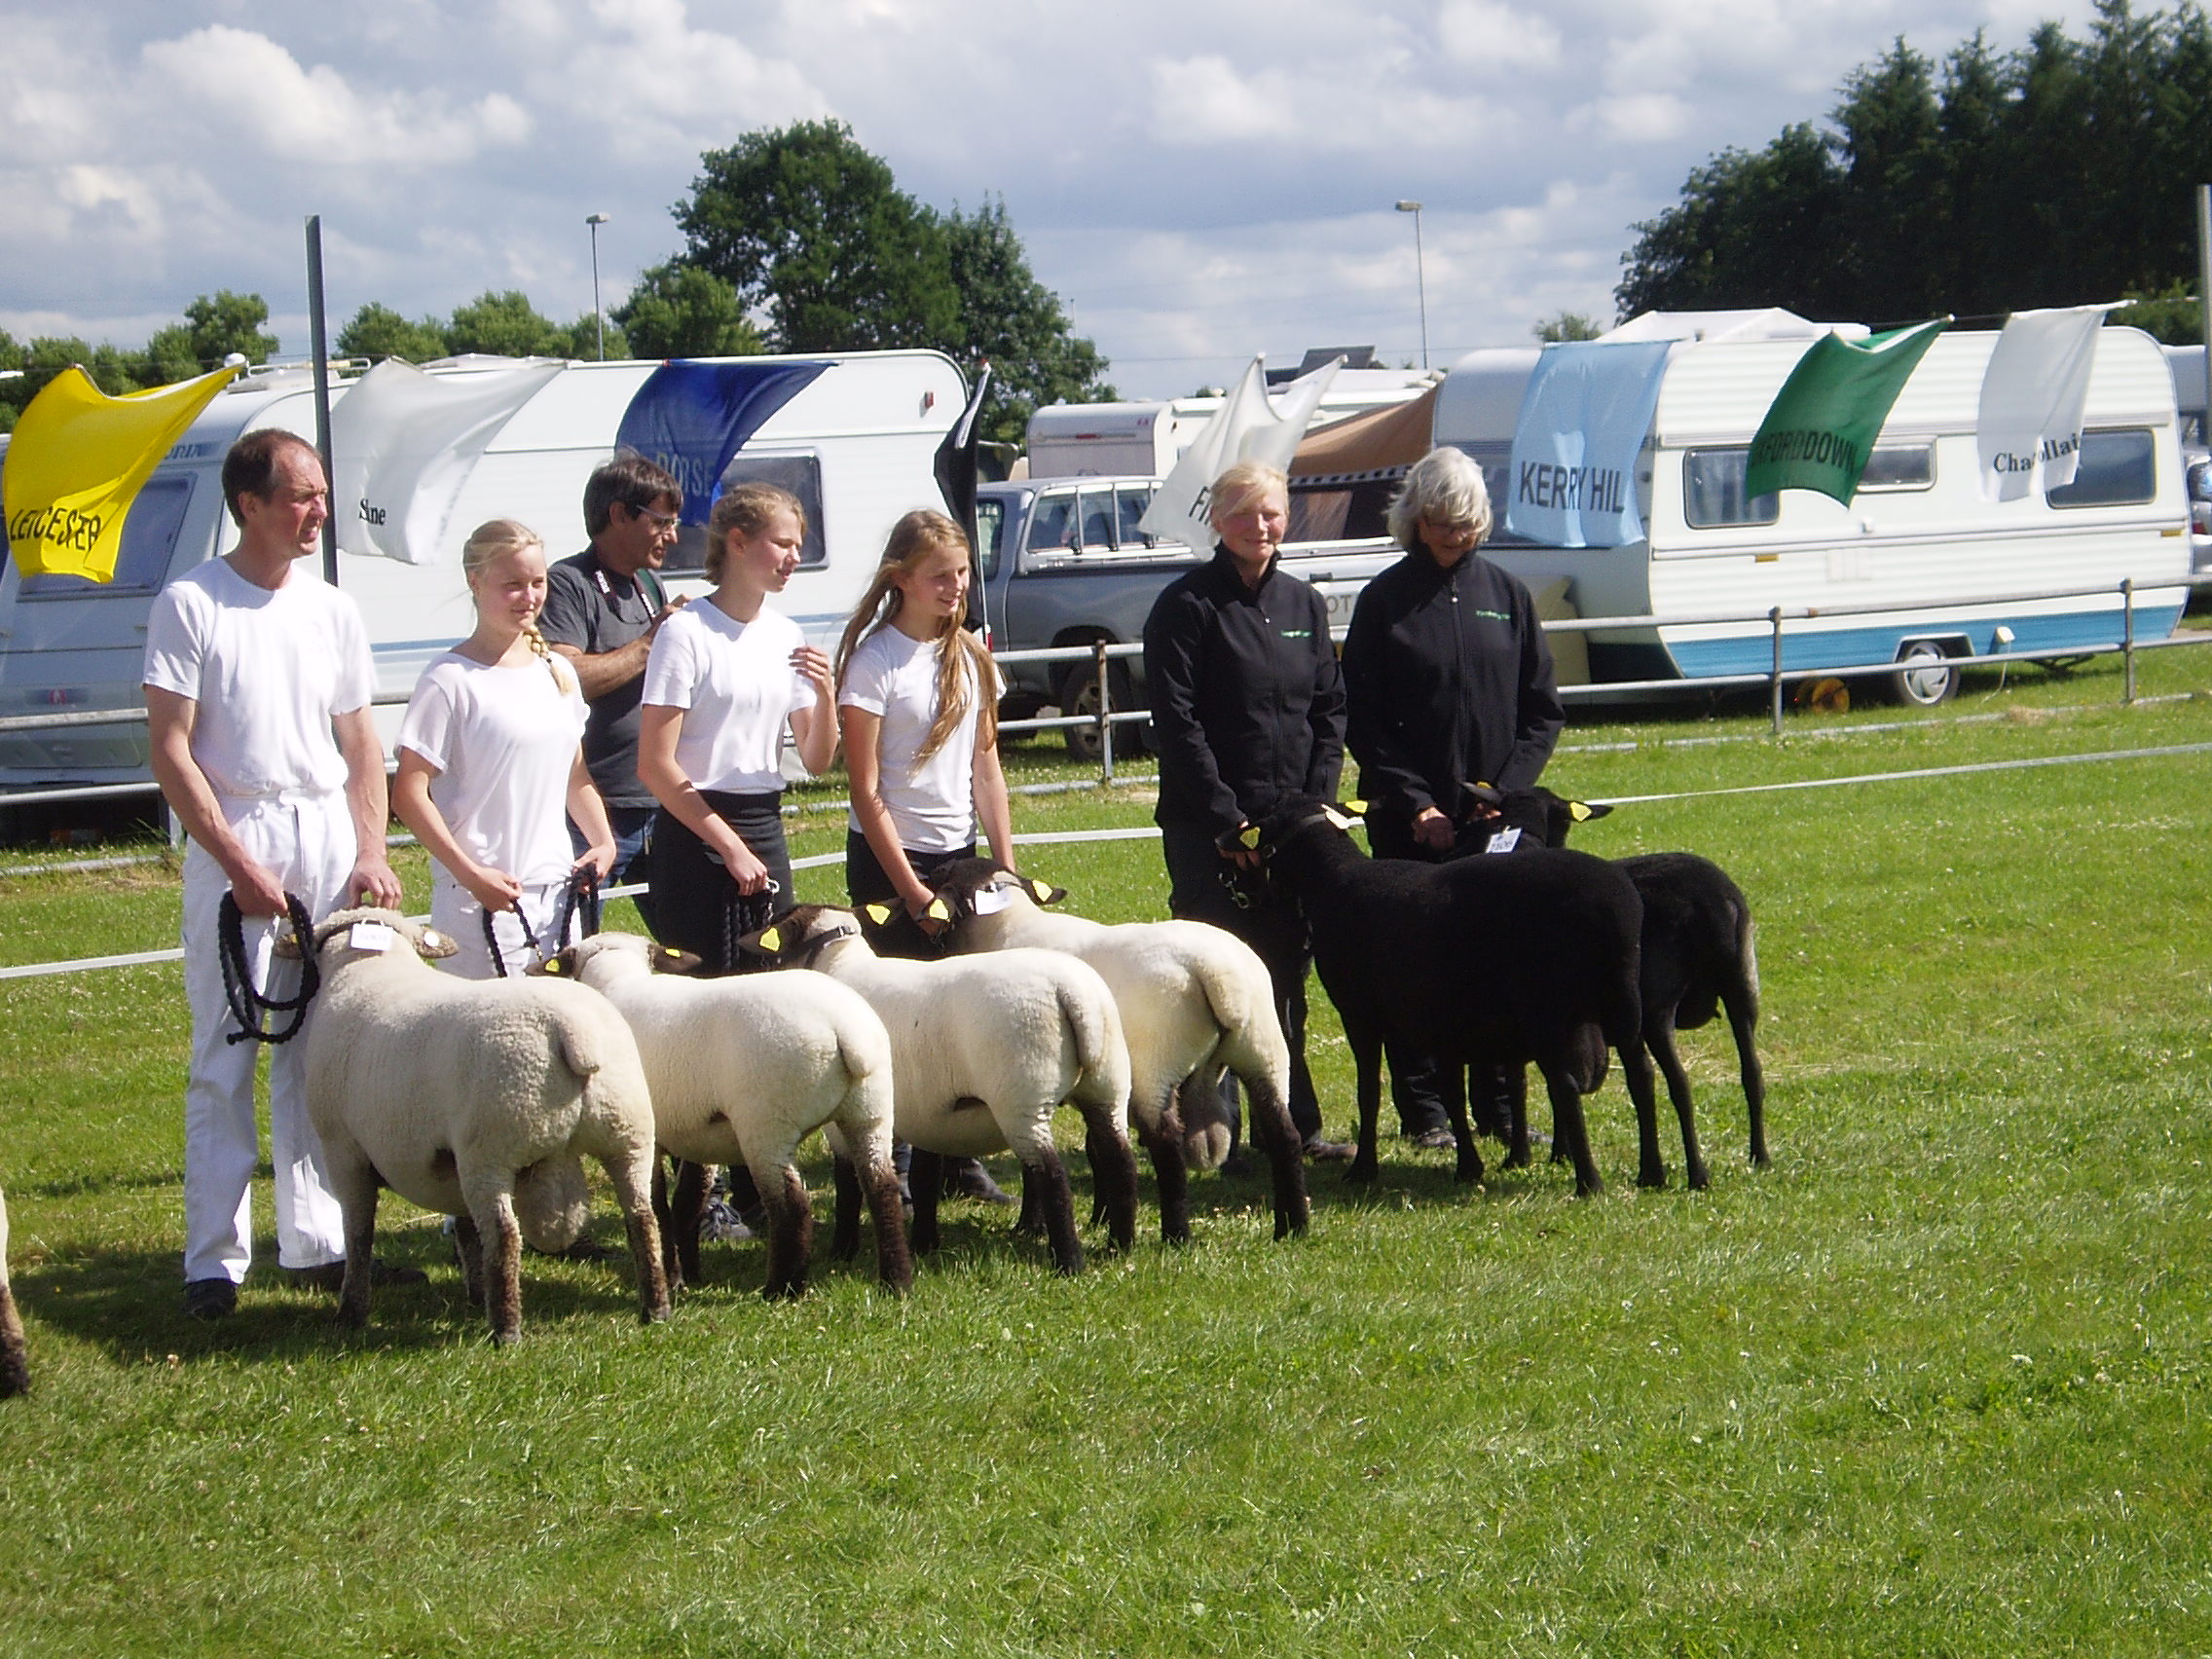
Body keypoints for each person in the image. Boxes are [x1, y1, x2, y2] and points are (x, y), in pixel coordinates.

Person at [143, 428, 411, 1319]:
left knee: (318, 1049)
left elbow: (362, 741)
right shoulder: (192, 603)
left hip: (325, 829)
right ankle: (212, 1261)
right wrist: (236, 863)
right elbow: (172, 751)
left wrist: (370, 847)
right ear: (249, 503)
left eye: (321, 493)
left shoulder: (332, 609)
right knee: (226, 1052)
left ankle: (319, 1240)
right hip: (242, 827)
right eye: (299, 495)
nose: (316, 511)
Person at [1340, 445, 1566, 1147]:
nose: (1452, 536)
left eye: (1465, 524)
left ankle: (1500, 1108)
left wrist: (1506, 791)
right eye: (1440, 521)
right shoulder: (1383, 601)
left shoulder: (1508, 596)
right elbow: (1361, 717)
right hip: (1411, 823)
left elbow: (1542, 710)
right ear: (1415, 518)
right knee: (1415, 969)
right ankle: (1427, 1112)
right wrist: (1415, 803)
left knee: (1498, 966)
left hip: (1491, 822)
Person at [1141, 460, 1354, 1161]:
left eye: (1271, 513)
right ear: (1216, 521)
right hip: (1211, 827)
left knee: (1288, 975)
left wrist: (1316, 801)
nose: (1259, 527)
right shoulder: (1184, 607)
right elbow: (1178, 723)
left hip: (1293, 825)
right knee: (1216, 980)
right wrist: (1226, 819)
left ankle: (1294, 1127)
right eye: (1244, 514)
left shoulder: (1303, 605)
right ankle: (1212, 1132)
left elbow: (1329, 707)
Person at [835, 507, 1016, 1204]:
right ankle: (896, 1166)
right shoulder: (875, 660)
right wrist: (911, 891)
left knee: (957, 1010)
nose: (956, 587)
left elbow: (988, 768)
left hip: (958, 855)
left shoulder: (970, 654)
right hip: (890, 857)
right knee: (899, 1015)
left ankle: (958, 1158)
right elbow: (864, 787)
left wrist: (1005, 865)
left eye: (963, 574)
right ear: (901, 579)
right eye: (941, 576)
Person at [391, 519, 617, 982]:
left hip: (557, 896)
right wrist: (471, 874)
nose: (529, 597)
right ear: (475, 582)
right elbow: (410, 795)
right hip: (477, 904)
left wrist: (603, 841)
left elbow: (574, 776)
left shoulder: (557, 672)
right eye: (512, 585)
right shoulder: (449, 680)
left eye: (537, 583)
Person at [637, 482, 835, 976]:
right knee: (704, 993)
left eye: (797, 545)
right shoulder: (686, 632)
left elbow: (816, 758)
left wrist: (828, 696)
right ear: (738, 542)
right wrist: (729, 847)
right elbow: (654, 765)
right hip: (696, 833)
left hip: (764, 826)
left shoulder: (786, 634)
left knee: (776, 981)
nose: (794, 557)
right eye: (783, 543)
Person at [537, 455, 686, 927]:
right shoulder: (568, 583)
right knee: (570, 938)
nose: (673, 536)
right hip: (595, 809)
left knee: (685, 942)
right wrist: (650, 643)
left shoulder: (649, 582)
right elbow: (565, 677)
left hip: (659, 800)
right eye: (661, 522)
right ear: (619, 514)